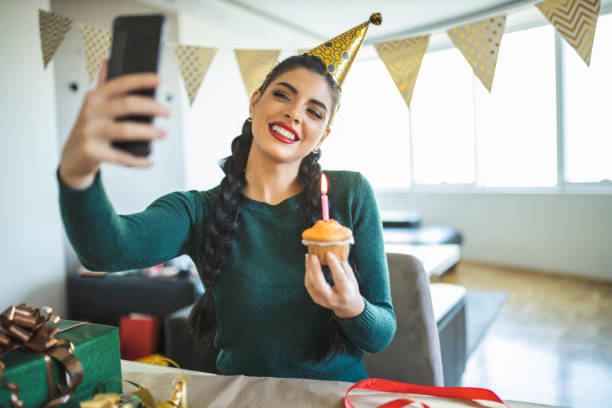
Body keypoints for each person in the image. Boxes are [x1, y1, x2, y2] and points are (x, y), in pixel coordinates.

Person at [58, 16, 395, 382]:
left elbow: (380, 335)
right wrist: (78, 173)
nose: (294, 113)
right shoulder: (197, 211)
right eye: (283, 94)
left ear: (323, 135)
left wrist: (351, 306)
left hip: (335, 398)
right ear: (255, 102)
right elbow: (105, 251)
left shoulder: (351, 193)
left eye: (314, 111)